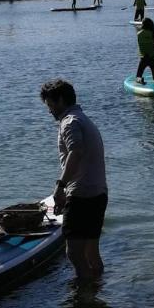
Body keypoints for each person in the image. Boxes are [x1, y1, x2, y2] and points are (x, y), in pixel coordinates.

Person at [40, 79, 108, 281]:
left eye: (50, 105)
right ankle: (98, 290)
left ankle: (85, 299)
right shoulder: (82, 118)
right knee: (91, 252)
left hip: (81, 194)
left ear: (60, 100)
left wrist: (60, 186)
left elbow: (75, 152)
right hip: (98, 192)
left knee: (74, 253)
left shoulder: (69, 122)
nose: (49, 111)